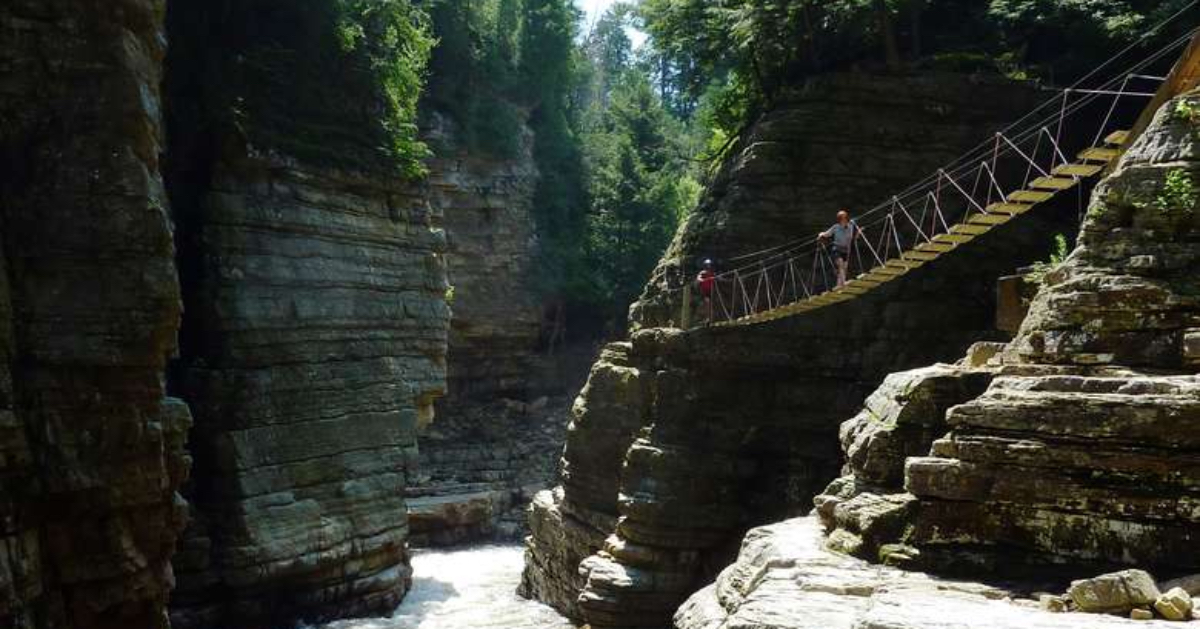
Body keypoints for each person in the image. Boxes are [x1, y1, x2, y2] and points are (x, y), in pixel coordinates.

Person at [818, 210, 859, 288]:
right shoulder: (835, 227)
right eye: (841, 219)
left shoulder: (851, 225)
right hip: (837, 249)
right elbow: (827, 234)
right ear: (839, 220)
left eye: (844, 218)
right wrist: (821, 234)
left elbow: (855, 234)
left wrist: (858, 233)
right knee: (841, 265)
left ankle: (838, 286)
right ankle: (843, 284)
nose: (843, 220)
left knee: (844, 268)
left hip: (846, 251)